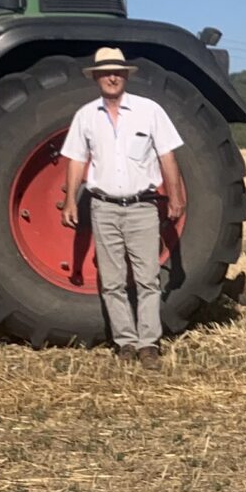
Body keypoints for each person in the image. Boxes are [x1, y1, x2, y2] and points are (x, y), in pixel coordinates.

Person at [56, 46, 187, 364]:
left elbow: (167, 156)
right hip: (103, 207)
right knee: (112, 280)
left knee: (147, 277)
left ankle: (149, 344)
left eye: (117, 71)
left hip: (142, 207)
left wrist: (176, 195)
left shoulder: (149, 111)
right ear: (97, 77)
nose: (112, 77)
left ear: (125, 76)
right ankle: (125, 342)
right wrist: (70, 200)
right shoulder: (86, 116)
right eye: (106, 72)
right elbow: (76, 160)